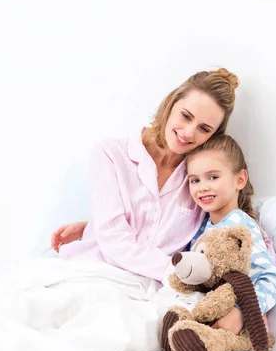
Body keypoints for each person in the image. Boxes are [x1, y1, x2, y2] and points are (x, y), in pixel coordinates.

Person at [52, 67, 240, 282]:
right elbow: (114, 240)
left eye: (204, 129)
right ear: (170, 103)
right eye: (186, 116)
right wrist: (97, 227)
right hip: (93, 273)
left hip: (151, 292)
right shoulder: (110, 154)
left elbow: (228, 230)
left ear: (213, 136)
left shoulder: (200, 181)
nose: (188, 133)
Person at [180, 133, 276, 334]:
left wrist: (240, 313)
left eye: (213, 177)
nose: (203, 187)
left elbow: (270, 281)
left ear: (240, 179)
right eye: (195, 180)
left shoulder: (241, 226)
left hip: (234, 326)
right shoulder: (200, 229)